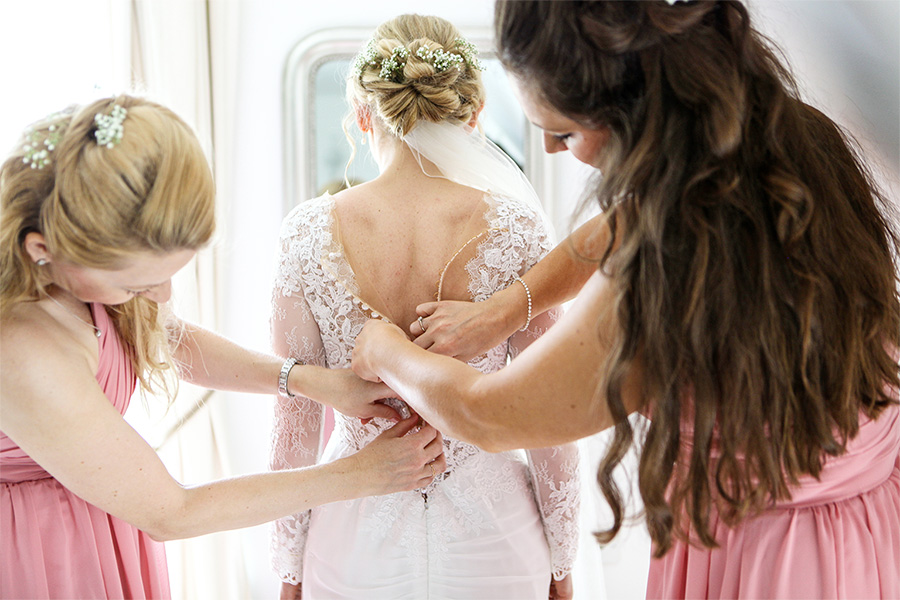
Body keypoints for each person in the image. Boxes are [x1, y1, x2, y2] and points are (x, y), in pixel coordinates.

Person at [351, 1, 900, 598]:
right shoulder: (790, 142)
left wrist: (385, 352)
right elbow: (618, 224)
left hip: (770, 562)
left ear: (631, 111)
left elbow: (488, 414)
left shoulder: (665, 267)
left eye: (565, 133)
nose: (558, 152)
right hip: (865, 528)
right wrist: (507, 309)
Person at [0, 95, 446, 600]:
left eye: (169, 276)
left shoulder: (83, 279)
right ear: (43, 250)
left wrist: (308, 380)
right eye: (138, 286)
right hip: (37, 549)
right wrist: (357, 475)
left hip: (99, 522)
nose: (162, 297)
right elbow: (173, 512)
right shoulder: (22, 353)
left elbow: (167, 336)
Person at [269, 14, 580, 600]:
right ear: (474, 113)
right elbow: (548, 420)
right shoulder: (516, 228)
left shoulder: (307, 233)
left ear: (364, 117)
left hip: (352, 535)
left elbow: (296, 417)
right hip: (497, 540)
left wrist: (289, 573)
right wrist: (562, 565)